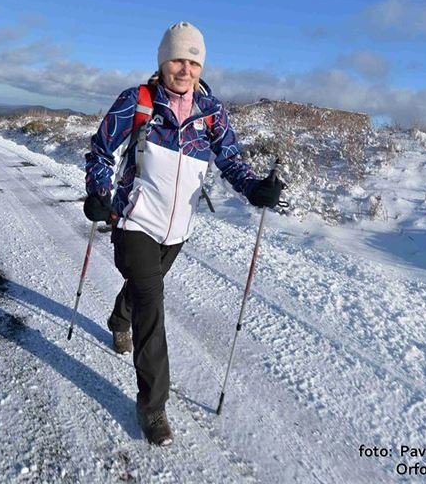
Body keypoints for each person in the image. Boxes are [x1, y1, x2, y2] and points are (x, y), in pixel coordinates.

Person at [84, 22, 284, 446]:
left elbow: (230, 161)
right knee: (152, 307)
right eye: (178, 59)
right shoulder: (137, 102)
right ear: (162, 60)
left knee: (143, 290)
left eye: (194, 62)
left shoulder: (211, 112)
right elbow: (101, 150)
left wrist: (255, 189)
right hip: (134, 220)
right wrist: (99, 193)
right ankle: (153, 408)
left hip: (178, 229)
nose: (186, 69)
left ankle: (119, 318)